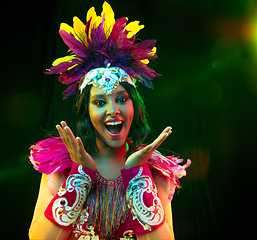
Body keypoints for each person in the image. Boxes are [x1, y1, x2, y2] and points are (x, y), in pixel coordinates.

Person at [28, 2, 191, 240]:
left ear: (134, 106)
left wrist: (137, 174)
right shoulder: (60, 166)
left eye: (121, 99)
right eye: (100, 102)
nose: (113, 110)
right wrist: (81, 173)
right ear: (87, 112)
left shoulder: (156, 173)